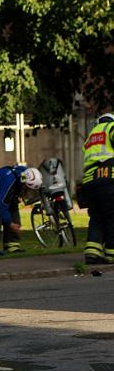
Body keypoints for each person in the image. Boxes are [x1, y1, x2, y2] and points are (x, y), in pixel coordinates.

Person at [81, 113, 114, 264]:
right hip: (108, 178)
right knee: (112, 215)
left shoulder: (90, 137)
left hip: (89, 182)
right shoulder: (110, 128)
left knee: (96, 217)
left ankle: (92, 252)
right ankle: (111, 253)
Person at [0, 166, 42, 254]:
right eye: (28, 189)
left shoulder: (25, 174)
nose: (29, 192)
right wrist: (9, 223)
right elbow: (1, 204)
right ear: (24, 184)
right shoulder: (8, 181)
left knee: (15, 216)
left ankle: (12, 247)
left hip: (7, 194)